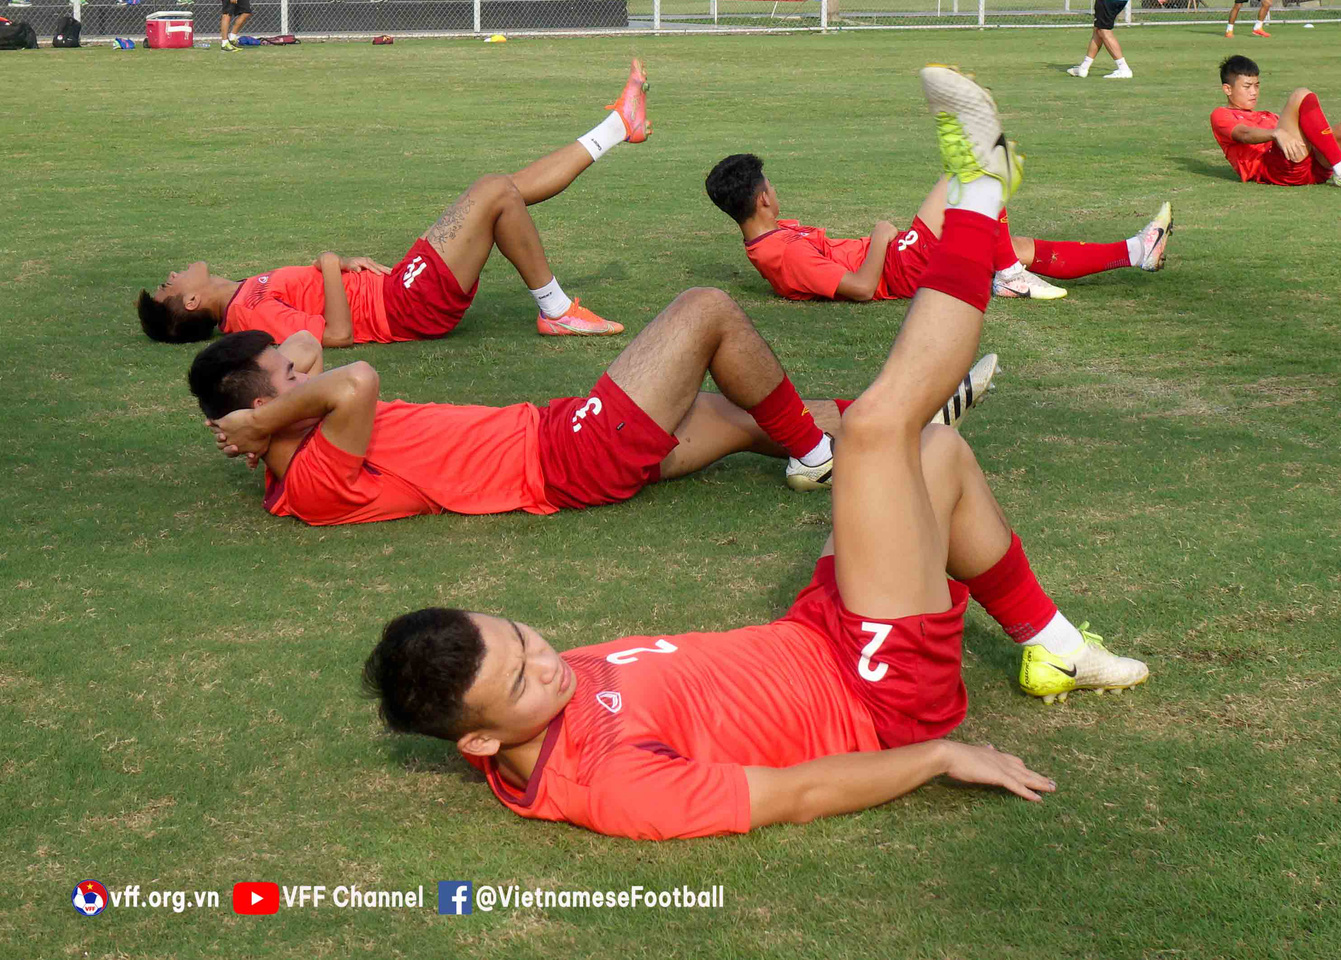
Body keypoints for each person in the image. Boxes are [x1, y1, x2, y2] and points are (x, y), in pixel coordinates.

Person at [359, 68, 1150, 841]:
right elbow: (795, 793)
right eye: (522, 678)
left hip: (819, 630)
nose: (546, 660)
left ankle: (1057, 651)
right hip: (877, 697)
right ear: (482, 743)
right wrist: (938, 754)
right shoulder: (609, 783)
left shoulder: (517, 696)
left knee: (936, 451)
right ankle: (979, 189)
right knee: (879, 427)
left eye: (523, 638)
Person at [137, 61, 652, 345]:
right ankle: (557, 310)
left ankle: (617, 126)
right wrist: (331, 265)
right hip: (406, 308)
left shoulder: (249, 295)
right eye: (169, 285)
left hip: (398, 287)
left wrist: (338, 268)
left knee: (502, 192)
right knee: (495, 189)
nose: (173, 274)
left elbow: (320, 303)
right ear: (188, 303)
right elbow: (336, 337)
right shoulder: (247, 315)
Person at [706, 153, 1171, 303]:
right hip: (898, 266)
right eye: (771, 184)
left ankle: (1136, 251)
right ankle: (1008, 277)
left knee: (1009, 242)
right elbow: (862, 288)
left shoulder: (769, 234)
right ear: (763, 197)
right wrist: (883, 235)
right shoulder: (783, 254)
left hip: (897, 258)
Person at [1210, 54, 1341, 192]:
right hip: (1276, 170)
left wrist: (1332, 140)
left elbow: (1309, 133)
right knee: (1300, 94)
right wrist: (1276, 134)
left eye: (1257, 85)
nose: (1254, 92)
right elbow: (1244, 134)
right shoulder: (1221, 114)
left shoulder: (1269, 115)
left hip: (1313, 170)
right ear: (1227, 89)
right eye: (1247, 86)